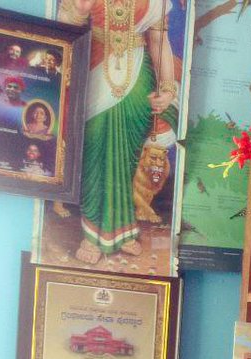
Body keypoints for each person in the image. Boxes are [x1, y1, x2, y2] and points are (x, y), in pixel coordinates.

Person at [56, 0, 181, 263]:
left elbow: (159, 43)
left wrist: (168, 89)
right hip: (93, 73)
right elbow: (61, 31)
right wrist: (78, 12)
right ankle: (91, 235)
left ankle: (123, 231)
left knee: (125, 161)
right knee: (93, 156)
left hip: (136, 80)